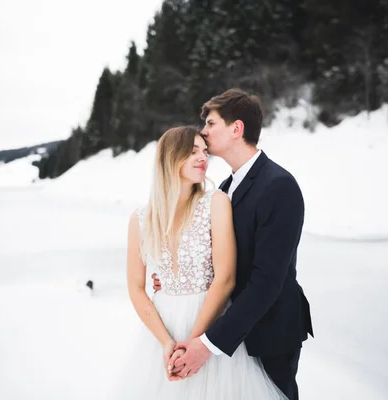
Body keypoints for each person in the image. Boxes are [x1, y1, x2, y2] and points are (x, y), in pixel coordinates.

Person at [152, 89, 313, 399]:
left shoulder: (278, 186)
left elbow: (268, 281)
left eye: (211, 124)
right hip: (231, 332)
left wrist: (208, 344)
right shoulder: (225, 188)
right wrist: (178, 276)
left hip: (269, 331)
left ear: (236, 129)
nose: (204, 131)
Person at [115, 125, 287, 399]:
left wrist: (194, 344)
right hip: (162, 329)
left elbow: (225, 278)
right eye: (193, 151)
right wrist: (167, 343)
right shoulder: (140, 220)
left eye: (205, 151)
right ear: (170, 156)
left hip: (209, 323)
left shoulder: (216, 202)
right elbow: (136, 288)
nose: (202, 158)